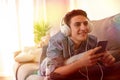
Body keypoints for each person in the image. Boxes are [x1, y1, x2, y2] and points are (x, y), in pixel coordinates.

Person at [40, 9, 117, 80]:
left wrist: (107, 61)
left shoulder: (92, 40)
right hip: (49, 61)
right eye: (77, 24)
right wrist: (80, 63)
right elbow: (52, 73)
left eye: (85, 23)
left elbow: (99, 63)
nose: (84, 28)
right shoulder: (55, 41)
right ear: (67, 29)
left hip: (66, 59)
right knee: (47, 59)